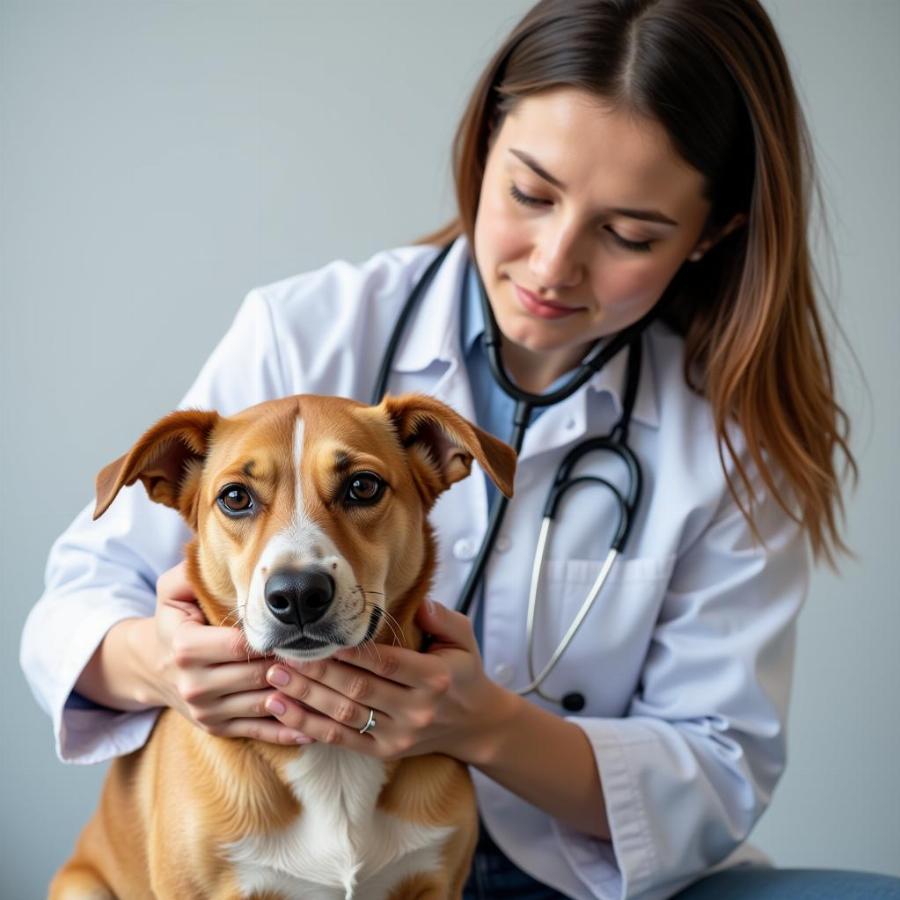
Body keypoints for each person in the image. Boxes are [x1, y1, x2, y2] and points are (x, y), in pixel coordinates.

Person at [21, 1, 899, 899]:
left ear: (713, 233)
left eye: (629, 233)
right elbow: (76, 599)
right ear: (483, 147)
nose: (555, 264)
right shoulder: (304, 334)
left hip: (576, 869)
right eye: (531, 193)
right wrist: (162, 662)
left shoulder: (729, 439)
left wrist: (485, 730)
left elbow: (720, 773)